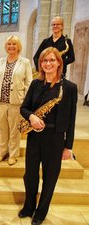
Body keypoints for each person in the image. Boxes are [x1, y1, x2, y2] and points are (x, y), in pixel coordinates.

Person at [19, 47, 77, 225]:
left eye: (52, 60)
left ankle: (41, 212)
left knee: (50, 177)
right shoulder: (36, 84)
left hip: (55, 137)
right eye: (45, 60)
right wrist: (32, 117)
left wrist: (68, 146)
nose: (48, 63)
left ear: (59, 62)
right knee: (30, 175)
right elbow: (24, 108)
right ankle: (29, 206)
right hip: (35, 136)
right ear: (40, 64)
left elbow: (71, 119)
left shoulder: (69, 88)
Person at [0, 35, 32, 165]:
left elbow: (29, 82)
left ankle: (13, 154)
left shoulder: (25, 62)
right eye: (8, 44)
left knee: (14, 130)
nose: (11, 46)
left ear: (18, 46)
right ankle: (2, 152)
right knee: (2, 129)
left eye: (14, 44)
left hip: (16, 102)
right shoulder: (0, 61)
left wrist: (26, 100)